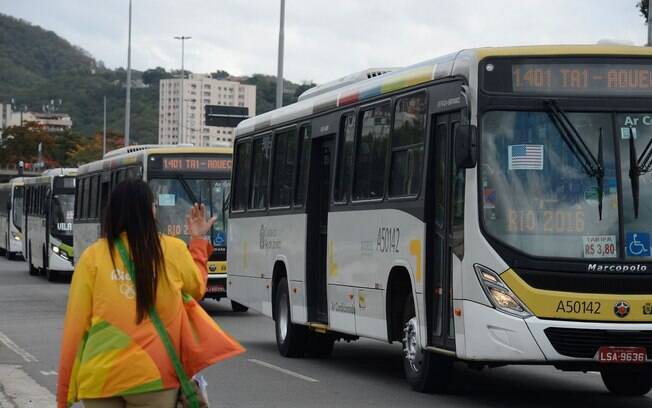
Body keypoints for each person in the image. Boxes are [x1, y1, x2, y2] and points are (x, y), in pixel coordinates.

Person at [57, 180, 221, 408]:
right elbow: (197, 287)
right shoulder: (172, 250)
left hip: (99, 377)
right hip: (154, 377)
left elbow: (75, 328)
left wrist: (63, 395)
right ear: (149, 211)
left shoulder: (92, 257)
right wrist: (198, 241)